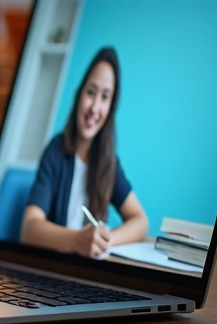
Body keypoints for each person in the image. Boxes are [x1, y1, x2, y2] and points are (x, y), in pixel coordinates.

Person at [19, 46, 149, 258]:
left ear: (111, 108)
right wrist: (77, 241)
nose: (95, 107)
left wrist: (104, 241)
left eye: (105, 97)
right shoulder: (55, 150)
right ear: (79, 94)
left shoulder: (109, 162)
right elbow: (29, 228)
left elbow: (141, 221)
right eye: (91, 92)